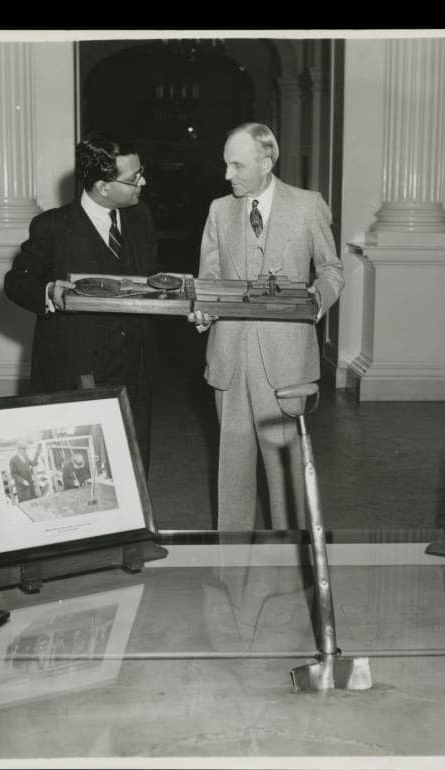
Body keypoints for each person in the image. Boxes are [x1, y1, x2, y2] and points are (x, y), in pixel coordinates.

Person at [188, 122, 344, 531]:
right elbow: (209, 280)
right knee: (232, 468)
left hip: (286, 361)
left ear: (266, 161)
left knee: (287, 473)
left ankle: (291, 564)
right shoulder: (219, 211)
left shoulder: (308, 205)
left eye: (237, 165)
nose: (227, 175)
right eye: (225, 165)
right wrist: (203, 311)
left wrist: (316, 300)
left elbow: (332, 270)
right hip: (230, 359)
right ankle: (230, 568)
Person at [4, 133, 159, 472]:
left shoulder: (140, 217)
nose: (143, 182)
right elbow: (16, 283)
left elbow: (148, 281)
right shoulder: (52, 227)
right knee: (78, 470)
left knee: (130, 464)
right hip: (75, 367)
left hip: (133, 366)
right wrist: (48, 292)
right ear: (103, 186)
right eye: (134, 178)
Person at [9, 438, 38, 503]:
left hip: (30, 487)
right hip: (22, 488)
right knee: (25, 504)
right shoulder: (13, 460)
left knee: (33, 502)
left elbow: (33, 463)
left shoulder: (26, 456)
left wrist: (37, 458)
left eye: (24, 451)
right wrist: (22, 481)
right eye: (21, 451)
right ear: (18, 450)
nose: (23, 452)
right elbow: (13, 474)